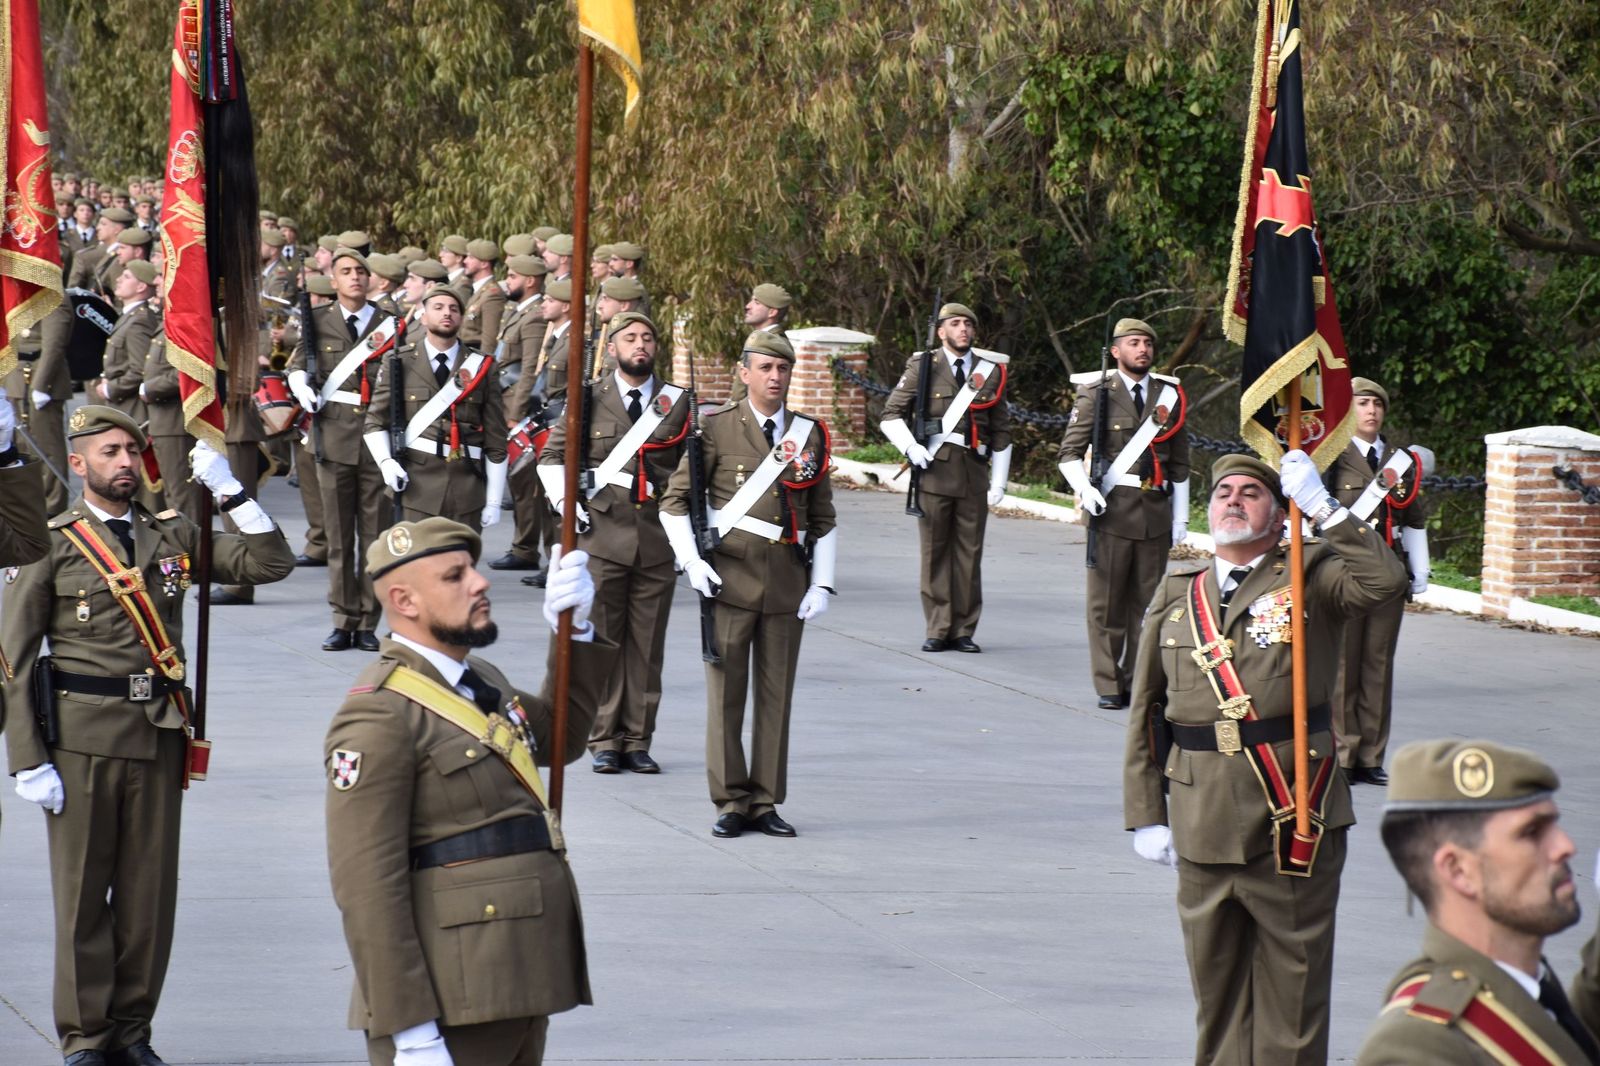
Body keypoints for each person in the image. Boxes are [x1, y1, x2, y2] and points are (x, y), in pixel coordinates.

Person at [4, 408, 295, 1066]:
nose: (126, 462)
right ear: (79, 464)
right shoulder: (50, 542)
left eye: (132, 450)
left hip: (160, 734)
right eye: (110, 452)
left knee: (148, 898)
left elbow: (270, 563)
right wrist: (26, 758)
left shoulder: (171, 536)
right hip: (80, 743)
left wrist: (232, 491)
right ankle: (85, 1036)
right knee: (82, 899)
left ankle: (133, 1031)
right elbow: (13, 658)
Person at [1123, 452, 1407, 1064]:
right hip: (1200, 820)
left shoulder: (1313, 575)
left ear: (1281, 515)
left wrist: (1327, 510)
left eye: (1252, 492)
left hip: (1292, 811)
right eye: (1223, 490)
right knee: (1216, 993)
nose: (1233, 499)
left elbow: (1385, 583)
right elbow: (1148, 711)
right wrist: (1146, 810)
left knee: (1293, 994)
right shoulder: (1179, 593)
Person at [323, 519, 613, 1066]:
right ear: (405, 600)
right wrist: (409, 1029)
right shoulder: (378, 714)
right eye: (454, 576)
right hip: (451, 996)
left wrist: (571, 635)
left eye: (474, 569)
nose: (479, 583)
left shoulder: (478, 678)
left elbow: (561, 739)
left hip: (518, 977)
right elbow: (366, 888)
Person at [660, 330, 836, 838]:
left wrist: (821, 583)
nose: (775, 377)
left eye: (782, 369)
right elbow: (674, 503)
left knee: (776, 697)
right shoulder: (714, 428)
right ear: (744, 373)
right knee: (726, 697)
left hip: (786, 580)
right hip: (729, 577)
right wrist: (692, 561)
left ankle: (765, 800)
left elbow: (822, 515)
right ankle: (730, 800)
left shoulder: (809, 434)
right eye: (765, 368)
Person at [1354, 739, 1598, 1064]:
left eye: (1555, 825)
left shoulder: (1526, 985)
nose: (1566, 846)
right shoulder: (1418, 1047)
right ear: (1458, 870)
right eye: (1532, 832)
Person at [539, 312, 688, 774]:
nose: (639, 345)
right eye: (630, 338)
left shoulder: (678, 402)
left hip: (656, 540)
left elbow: (689, 474)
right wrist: (566, 500)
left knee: (646, 646)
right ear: (612, 348)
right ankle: (604, 738)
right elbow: (551, 456)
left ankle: (638, 738)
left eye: (647, 337)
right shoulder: (587, 398)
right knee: (604, 639)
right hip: (601, 535)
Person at [1057, 317, 1190, 708]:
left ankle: (1141, 683)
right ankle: (1109, 684)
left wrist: (1180, 517)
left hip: (1154, 513)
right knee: (1106, 606)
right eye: (1134, 343)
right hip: (1110, 512)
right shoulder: (1096, 392)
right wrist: (1085, 490)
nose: (1143, 349)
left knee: (1148, 607)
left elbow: (1179, 464)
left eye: (1148, 343)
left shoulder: (1169, 397)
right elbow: (1066, 454)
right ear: (1116, 351)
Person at [879, 303, 1011, 653]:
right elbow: (890, 414)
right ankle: (938, 626)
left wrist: (999, 480)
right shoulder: (923, 366)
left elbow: (1000, 430)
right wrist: (910, 447)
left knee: (969, 553)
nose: (963, 329)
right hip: (934, 471)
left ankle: (964, 629)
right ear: (941, 331)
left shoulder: (990, 372)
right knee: (935, 552)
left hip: (972, 472)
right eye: (955, 323)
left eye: (968, 323)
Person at [287, 247, 398, 652]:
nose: (354, 277)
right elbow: (298, 363)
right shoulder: (318, 321)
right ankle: (342, 618)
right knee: (337, 538)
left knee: (373, 537)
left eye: (360, 271)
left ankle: (368, 621)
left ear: (371, 279)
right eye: (345, 272)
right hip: (332, 438)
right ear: (333, 281)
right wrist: (299, 381)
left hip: (375, 441)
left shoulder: (390, 324)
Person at [1327, 377, 1431, 785]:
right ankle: (1344, 753)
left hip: (1389, 572)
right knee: (1343, 665)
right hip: (1346, 572)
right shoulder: (1331, 456)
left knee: (1377, 664)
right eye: (1362, 403)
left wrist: (1419, 568)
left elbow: (1413, 517)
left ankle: (1371, 755)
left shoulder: (1399, 461)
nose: (1371, 411)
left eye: (1377, 405)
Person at [364, 285, 508, 532]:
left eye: (454, 309)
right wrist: (386, 462)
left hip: (467, 484)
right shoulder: (400, 361)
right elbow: (376, 421)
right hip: (417, 484)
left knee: (461, 565)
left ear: (461, 318)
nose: (447, 313)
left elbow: (496, 439)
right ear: (423, 316)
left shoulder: (481, 366)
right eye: (438, 307)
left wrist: (494, 501)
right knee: (419, 565)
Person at [489, 254, 550, 573]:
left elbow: (530, 369)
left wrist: (515, 413)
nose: (507, 281)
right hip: (506, 403)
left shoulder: (535, 317)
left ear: (530, 281)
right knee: (520, 482)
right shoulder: (518, 312)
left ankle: (527, 548)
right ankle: (523, 545)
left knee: (527, 482)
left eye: (512, 276)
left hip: (522, 410)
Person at [458, 239, 507, 351]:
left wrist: (483, 366)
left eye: (471, 257)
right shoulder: (479, 290)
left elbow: (489, 339)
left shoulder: (493, 295)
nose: (465, 261)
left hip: (476, 354)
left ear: (484, 264)